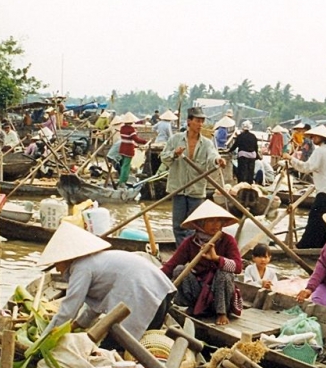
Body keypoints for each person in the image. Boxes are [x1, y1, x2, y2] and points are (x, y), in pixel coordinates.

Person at [39, 222, 175, 342]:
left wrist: (45, 338)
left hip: (145, 298)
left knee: (112, 348)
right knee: (142, 347)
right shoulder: (95, 262)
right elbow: (94, 309)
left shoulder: (81, 268)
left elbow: (69, 308)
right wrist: (76, 325)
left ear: (65, 259)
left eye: (57, 263)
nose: (56, 268)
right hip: (161, 293)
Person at [161, 201, 243, 325]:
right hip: (199, 288)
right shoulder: (190, 242)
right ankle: (195, 307)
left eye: (218, 221)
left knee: (224, 273)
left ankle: (221, 313)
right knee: (179, 270)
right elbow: (171, 265)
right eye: (211, 221)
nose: (216, 225)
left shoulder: (227, 240)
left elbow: (238, 267)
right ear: (200, 224)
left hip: (220, 292)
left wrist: (216, 259)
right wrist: (155, 278)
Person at [161, 106, 226, 244]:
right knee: (178, 225)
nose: (200, 124)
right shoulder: (175, 139)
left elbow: (212, 155)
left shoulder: (207, 143)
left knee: (194, 225)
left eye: (202, 121)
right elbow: (163, 157)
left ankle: (192, 253)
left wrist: (217, 160)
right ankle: (181, 252)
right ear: (189, 121)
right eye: (197, 121)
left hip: (196, 189)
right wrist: (174, 154)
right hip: (178, 187)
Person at [283, 125, 326, 249]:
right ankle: (323, 245)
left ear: (321, 137)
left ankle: (306, 245)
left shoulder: (320, 150)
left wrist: (291, 158)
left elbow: (307, 168)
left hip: (325, 191)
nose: (312, 138)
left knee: (315, 219)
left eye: (314, 137)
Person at [117, 112, 147, 186]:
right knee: (126, 166)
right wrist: (144, 141)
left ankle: (122, 179)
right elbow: (136, 139)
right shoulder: (131, 129)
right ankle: (122, 181)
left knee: (124, 164)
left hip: (122, 148)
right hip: (128, 149)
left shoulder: (122, 128)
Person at [232, 120, 259, 184]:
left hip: (243, 156)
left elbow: (235, 146)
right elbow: (256, 147)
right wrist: (257, 155)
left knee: (242, 172)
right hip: (252, 156)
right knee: (250, 172)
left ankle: (241, 184)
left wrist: (228, 150)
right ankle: (250, 184)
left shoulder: (240, 136)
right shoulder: (253, 136)